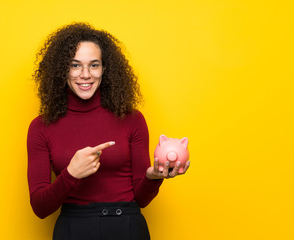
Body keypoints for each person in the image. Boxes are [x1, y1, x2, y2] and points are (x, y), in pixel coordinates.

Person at [27, 22, 190, 240]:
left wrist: (153, 176)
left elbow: (141, 199)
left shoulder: (132, 119)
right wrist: (71, 174)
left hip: (127, 227)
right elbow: (40, 207)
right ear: (61, 69)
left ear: (105, 69)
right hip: (73, 230)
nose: (85, 74)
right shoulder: (40, 127)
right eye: (75, 65)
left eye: (94, 65)